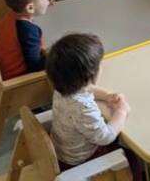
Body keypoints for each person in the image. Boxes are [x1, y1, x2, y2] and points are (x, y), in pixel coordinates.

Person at [46, 33, 142, 179]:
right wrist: (121, 112)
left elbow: (87, 89)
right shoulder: (83, 108)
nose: (101, 67)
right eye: (99, 65)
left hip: (63, 150)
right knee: (131, 156)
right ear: (90, 74)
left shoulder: (62, 87)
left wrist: (107, 95)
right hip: (79, 160)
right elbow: (105, 137)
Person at [0, 0, 50, 80]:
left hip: (3, 69)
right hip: (18, 79)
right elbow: (35, 65)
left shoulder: (8, 17)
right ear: (30, 8)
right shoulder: (28, 30)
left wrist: (43, 5)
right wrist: (53, 57)